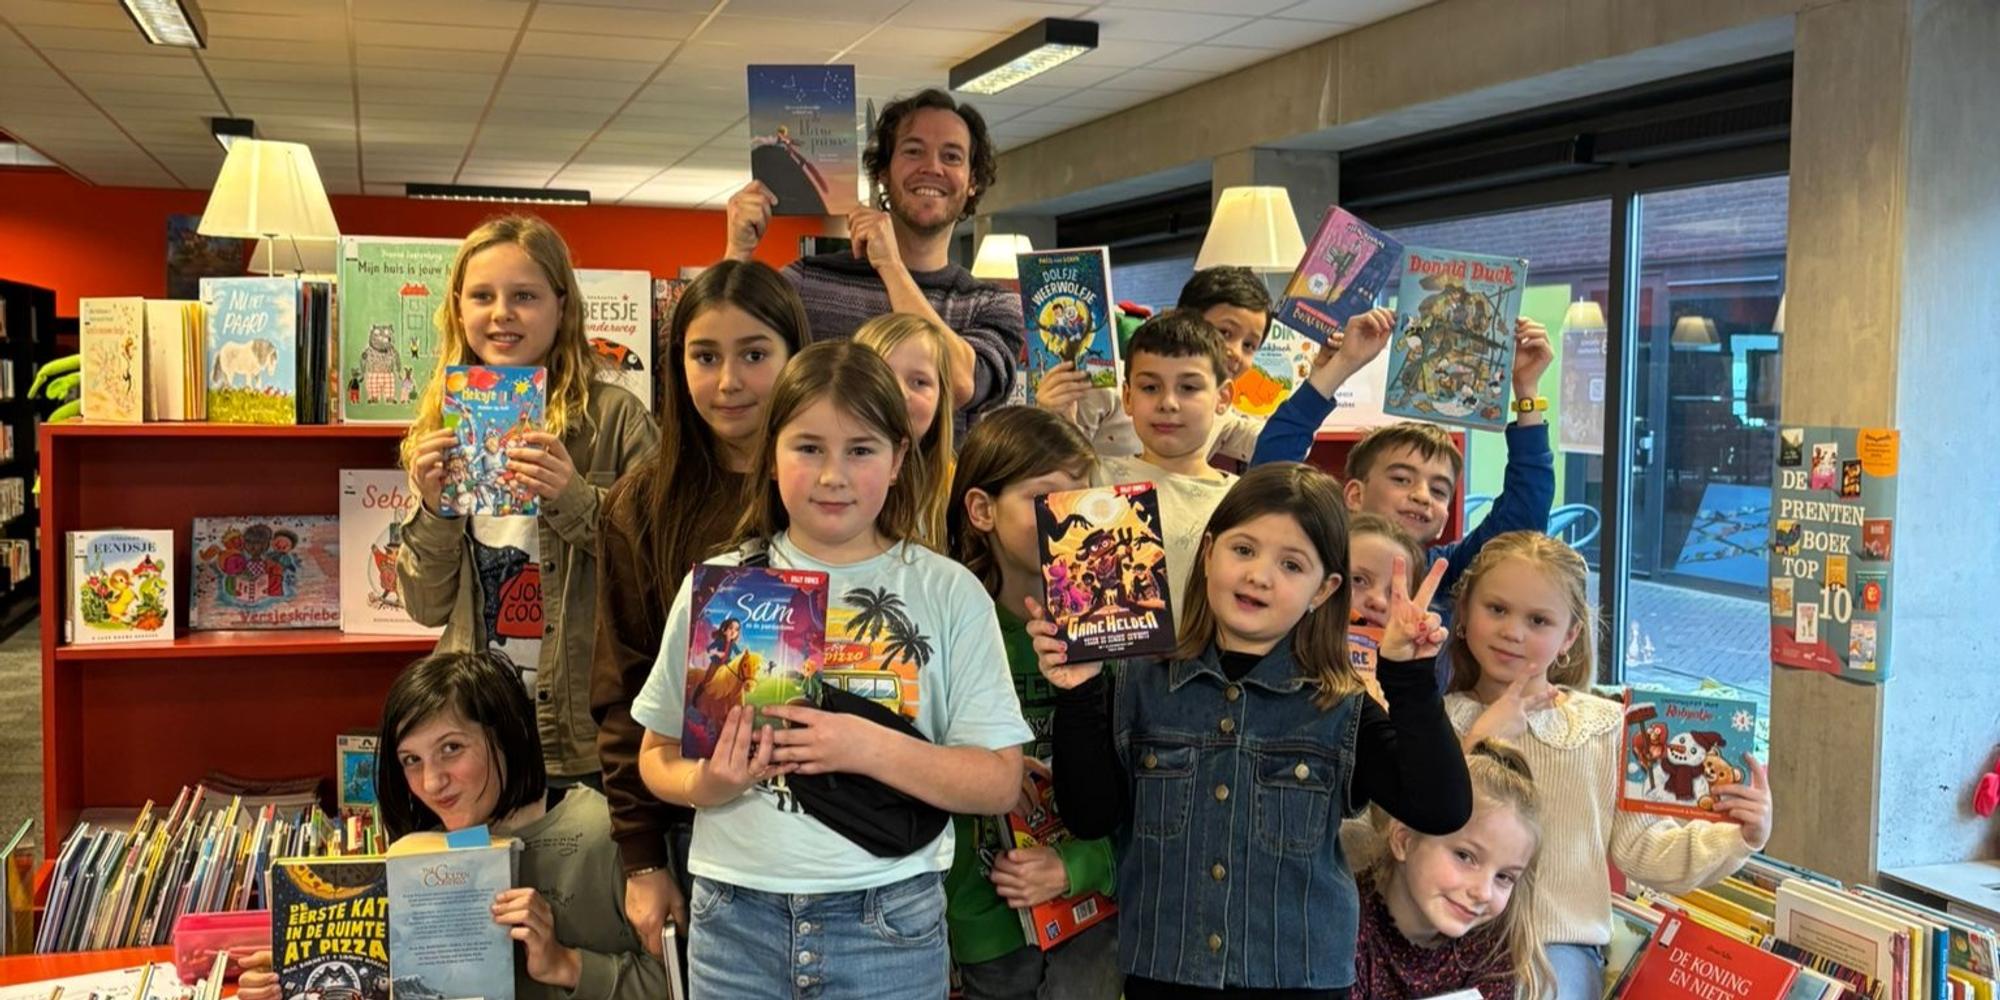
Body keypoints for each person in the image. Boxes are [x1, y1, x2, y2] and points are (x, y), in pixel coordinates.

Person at [631, 341, 1031, 999]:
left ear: (901, 458)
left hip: (886, 921)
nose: (832, 475)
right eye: (808, 447)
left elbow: (997, 783)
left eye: (861, 449)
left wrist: (867, 747)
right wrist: (707, 782)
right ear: (770, 455)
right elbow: (655, 756)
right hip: (734, 921)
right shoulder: (727, 586)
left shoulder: (949, 591)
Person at [1033, 462, 1474, 998]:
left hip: (1299, 978)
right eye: (1244, 550)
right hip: (1166, 974)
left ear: (1324, 589)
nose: (1260, 575)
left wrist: (1409, 676)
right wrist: (1079, 691)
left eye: (1292, 564)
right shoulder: (1137, 682)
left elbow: (1442, 808)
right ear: (1210, 551)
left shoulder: (1340, 703)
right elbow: (1089, 815)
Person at [590, 260, 811, 961]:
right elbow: (623, 695)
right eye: (705, 356)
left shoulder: (839, 489)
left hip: (842, 835)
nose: (728, 382)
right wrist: (643, 860)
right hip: (701, 824)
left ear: (795, 356)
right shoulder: (641, 505)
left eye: (754, 355)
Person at [1442, 532, 1773, 999]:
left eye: (1538, 620)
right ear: (1464, 615)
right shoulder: (1439, 720)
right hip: (1448, 937)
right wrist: (1480, 740)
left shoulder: (1604, 728)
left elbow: (1644, 850)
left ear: (1570, 636)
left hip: (1558, 944)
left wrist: (1740, 835)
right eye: (1496, 609)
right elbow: (1409, 834)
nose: (1512, 631)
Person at [235, 651, 665, 1000]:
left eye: (452, 748)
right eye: (411, 760)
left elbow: (683, 985)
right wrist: (291, 984)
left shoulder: (606, 834)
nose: (432, 782)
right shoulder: (418, 854)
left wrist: (565, 964)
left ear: (506, 737)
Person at [396, 215, 658, 786]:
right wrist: (437, 511)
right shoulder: (441, 424)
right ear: (458, 310)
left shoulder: (615, 420)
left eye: (525, 296)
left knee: (575, 875)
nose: (502, 313)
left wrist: (574, 499)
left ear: (562, 307)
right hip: (477, 734)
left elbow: (659, 571)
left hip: (584, 736)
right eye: (483, 296)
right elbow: (424, 606)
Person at [943, 407, 1121, 1000]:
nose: (1069, 522)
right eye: (1046, 500)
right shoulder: (943, 625)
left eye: (1083, 501)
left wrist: (1078, 866)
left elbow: (1155, 782)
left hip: (1096, 913)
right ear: (981, 510)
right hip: (982, 921)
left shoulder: (1117, 629)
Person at [723, 88, 1023, 434]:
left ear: (971, 182)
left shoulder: (992, 305)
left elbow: (958, 384)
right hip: (822, 485)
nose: (932, 167)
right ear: (882, 171)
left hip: (941, 490)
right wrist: (737, 250)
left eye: (952, 157)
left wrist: (891, 267)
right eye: (913, 151)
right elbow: (718, 358)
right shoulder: (808, 281)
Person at [1250, 314, 1556, 621]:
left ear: (1444, 518)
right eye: (1401, 479)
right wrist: (1342, 365)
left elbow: (1523, 516)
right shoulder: (1314, 553)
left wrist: (1526, 390)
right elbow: (1272, 472)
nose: (1422, 496)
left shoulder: (1442, 575)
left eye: (1438, 490)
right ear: (1355, 494)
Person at [1038, 266, 1397, 473]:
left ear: (1222, 399)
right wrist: (1055, 419)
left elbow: (1277, 450)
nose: (1234, 352)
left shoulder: (1222, 413)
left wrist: (1328, 370)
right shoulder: (1106, 384)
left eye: (1250, 344)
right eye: (1224, 332)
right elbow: (1058, 473)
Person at [1353, 741, 1554, 1000]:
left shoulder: (1491, 946)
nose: (1483, 893)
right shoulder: (1343, 925)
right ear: (1404, 841)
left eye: (1504, 877)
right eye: (1465, 856)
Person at [1088, 308, 1238, 620]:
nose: (1168, 403)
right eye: (1150, 387)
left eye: (1189, 387)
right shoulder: (1094, 477)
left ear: (1222, 397)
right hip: (1108, 665)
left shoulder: (1242, 500)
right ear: (1127, 398)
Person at [854, 312, 958, 550]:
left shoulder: (954, 482)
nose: (899, 392)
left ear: (941, 398)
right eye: (883, 377)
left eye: (919, 382)